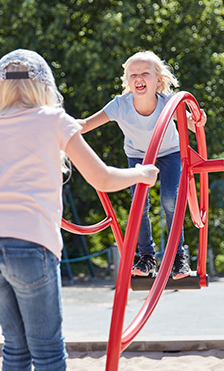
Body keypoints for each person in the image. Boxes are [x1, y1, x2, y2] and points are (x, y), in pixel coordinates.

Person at [0, 49, 158, 371]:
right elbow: (102, 178)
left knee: (15, 345)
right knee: (47, 349)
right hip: (28, 243)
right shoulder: (53, 120)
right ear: (45, 88)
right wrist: (142, 174)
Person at [77, 51, 207, 279]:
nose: (139, 78)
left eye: (145, 73)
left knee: (169, 199)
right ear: (127, 81)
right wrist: (59, 126)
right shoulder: (120, 105)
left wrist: (198, 119)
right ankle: (147, 257)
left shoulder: (169, 103)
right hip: (138, 154)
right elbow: (86, 125)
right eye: (133, 74)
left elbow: (190, 123)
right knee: (139, 201)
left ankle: (178, 257)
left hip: (169, 152)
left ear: (158, 80)